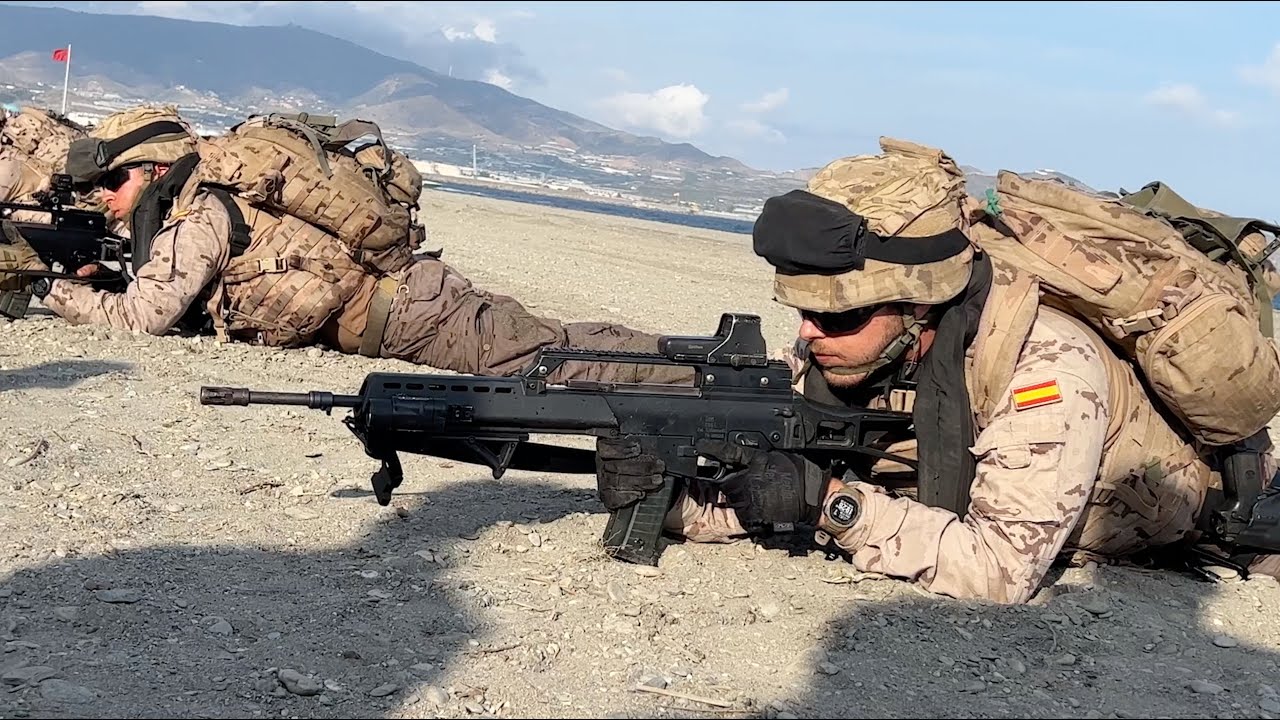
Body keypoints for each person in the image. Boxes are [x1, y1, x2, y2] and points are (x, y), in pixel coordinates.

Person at [594, 136, 1280, 604]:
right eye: (803, 314)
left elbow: (1000, 571)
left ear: (919, 306)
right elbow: (792, 472)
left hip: (1222, 517)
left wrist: (828, 503)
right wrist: (681, 495)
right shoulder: (860, 345)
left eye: (834, 320)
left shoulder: (1045, 365)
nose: (807, 336)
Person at [0, 104, 689, 385]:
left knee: (553, 363)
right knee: (555, 347)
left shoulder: (200, 211)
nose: (104, 200)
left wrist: (44, 287)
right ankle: (695, 360)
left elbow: (142, 319)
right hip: (407, 302)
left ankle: (697, 368)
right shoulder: (203, 202)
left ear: (151, 169)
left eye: (112, 184)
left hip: (412, 313)